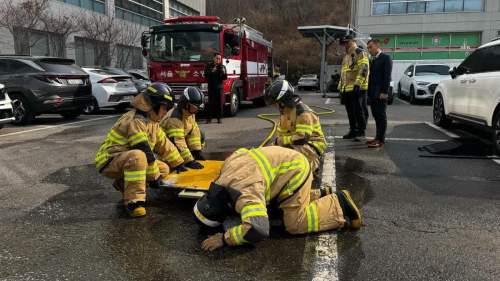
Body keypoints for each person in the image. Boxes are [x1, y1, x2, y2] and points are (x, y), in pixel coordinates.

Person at [193, 146, 362, 251]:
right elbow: (241, 151)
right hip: (284, 161)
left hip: (295, 171)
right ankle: (320, 195)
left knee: (294, 223)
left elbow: (258, 229)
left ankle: (339, 204)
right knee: (275, 209)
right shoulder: (225, 171)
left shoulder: (245, 195)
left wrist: (224, 238)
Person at [95, 83, 187, 217]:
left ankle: (123, 183)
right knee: (139, 157)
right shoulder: (136, 121)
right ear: (154, 106)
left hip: (126, 159)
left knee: (164, 169)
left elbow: (164, 144)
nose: (165, 112)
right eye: (164, 108)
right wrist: (154, 177)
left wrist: (179, 163)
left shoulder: (151, 122)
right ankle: (134, 203)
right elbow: (143, 149)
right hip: (109, 160)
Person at [264, 80, 326, 175]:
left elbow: (301, 138)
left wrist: (279, 142)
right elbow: (283, 134)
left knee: (284, 157)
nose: (275, 106)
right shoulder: (285, 111)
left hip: (312, 146)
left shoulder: (302, 113)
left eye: (276, 103)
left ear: (284, 100)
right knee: (270, 154)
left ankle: (313, 164)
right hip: (295, 144)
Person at [160, 86, 205, 169]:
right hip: (166, 146)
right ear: (185, 104)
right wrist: (189, 161)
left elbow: (194, 132)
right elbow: (178, 141)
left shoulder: (189, 113)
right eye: (194, 108)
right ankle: (176, 163)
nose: (196, 111)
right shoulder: (175, 118)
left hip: (177, 142)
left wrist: (197, 151)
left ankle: (188, 156)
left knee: (201, 134)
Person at [338, 35, 370, 140]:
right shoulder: (346, 56)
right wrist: (340, 88)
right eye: (344, 43)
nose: (345, 45)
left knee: (358, 111)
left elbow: (364, 68)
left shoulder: (359, 52)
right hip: (347, 89)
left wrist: (358, 84)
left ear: (353, 41)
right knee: (350, 112)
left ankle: (361, 132)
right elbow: (343, 73)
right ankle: (353, 130)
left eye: (347, 42)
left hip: (358, 89)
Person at [366, 39, 392, 148]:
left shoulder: (386, 58)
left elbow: (387, 77)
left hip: (381, 93)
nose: (369, 50)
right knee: (376, 116)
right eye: (368, 48)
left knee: (381, 116)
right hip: (373, 93)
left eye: (370, 47)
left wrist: (384, 92)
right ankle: (377, 137)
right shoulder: (374, 60)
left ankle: (381, 140)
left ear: (377, 46)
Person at [204, 53, 227, 124]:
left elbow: (225, 77)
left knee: (219, 104)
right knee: (210, 103)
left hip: (219, 87)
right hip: (211, 87)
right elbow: (205, 75)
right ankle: (209, 119)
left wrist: (223, 73)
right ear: (214, 58)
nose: (218, 60)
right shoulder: (209, 66)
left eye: (219, 59)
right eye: (217, 58)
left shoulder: (222, 66)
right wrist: (212, 71)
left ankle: (219, 118)